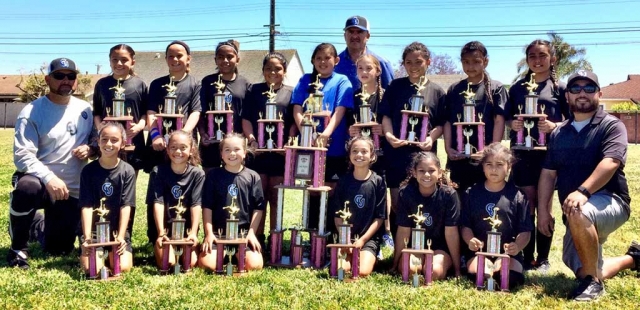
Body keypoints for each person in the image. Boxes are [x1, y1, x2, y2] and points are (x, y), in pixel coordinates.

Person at [537, 70, 639, 301]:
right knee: (583, 267)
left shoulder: (612, 125)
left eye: (589, 88)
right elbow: (548, 174)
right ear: (567, 96)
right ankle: (633, 259)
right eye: (575, 89)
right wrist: (543, 211)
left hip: (611, 201)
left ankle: (594, 285)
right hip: (574, 210)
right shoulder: (559, 132)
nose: (582, 93)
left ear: (599, 94)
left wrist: (583, 191)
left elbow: (611, 162)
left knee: (579, 211)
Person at [8, 57, 96, 268]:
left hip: (71, 192)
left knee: (59, 248)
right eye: (59, 76)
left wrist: (91, 149)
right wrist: (49, 178)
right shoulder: (31, 111)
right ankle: (18, 249)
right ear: (48, 79)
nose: (65, 80)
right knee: (27, 187)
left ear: (76, 80)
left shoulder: (86, 110)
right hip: (43, 184)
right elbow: (22, 155)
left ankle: (36, 224)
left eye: (71, 76)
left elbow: (96, 141)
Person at [505, 39, 570, 272]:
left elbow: (572, 121)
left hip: (548, 156)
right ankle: (525, 255)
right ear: (527, 59)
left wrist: (555, 127)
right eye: (532, 55)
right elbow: (507, 118)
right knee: (525, 206)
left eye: (542, 55)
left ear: (552, 58)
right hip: (522, 155)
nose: (537, 60)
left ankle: (542, 258)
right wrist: (511, 123)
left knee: (544, 206)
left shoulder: (560, 88)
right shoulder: (516, 88)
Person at [379, 42, 446, 237]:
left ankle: (425, 240)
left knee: (424, 197)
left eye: (419, 61)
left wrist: (431, 138)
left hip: (423, 155)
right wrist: (390, 136)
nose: (413, 66)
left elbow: (441, 123)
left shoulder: (437, 91)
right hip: (397, 152)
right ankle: (398, 241)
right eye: (408, 62)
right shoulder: (395, 86)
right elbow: (386, 116)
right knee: (397, 199)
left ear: (428, 62)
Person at [291, 43, 353, 230]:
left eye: (327, 58)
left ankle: (330, 236)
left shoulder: (342, 81)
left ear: (336, 60)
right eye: (318, 58)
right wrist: (306, 133)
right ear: (312, 61)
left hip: (334, 150)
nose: (323, 61)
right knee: (313, 191)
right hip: (309, 148)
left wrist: (325, 135)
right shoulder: (305, 80)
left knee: (332, 191)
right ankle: (311, 235)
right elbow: (297, 109)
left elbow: (339, 111)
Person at [145, 40, 201, 243]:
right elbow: (151, 113)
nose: (175, 59)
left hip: (182, 147)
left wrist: (182, 136)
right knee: (158, 192)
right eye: (171, 55)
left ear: (188, 58)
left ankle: (187, 236)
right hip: (159, 145)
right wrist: (156, 136)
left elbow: (196, 111)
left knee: (186, 190)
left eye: (180, 55)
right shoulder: (157, 84)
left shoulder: (195, 84)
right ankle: (156, 236)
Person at [461, 142, 532, 291]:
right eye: (489, 164)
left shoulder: (518, 196)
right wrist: (470, 241)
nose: (494, 169)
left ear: (509, 167)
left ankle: (505, 268)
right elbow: (465, 226)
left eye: (499, 165)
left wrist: (517, 246)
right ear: (482, 166)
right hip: (479, 252)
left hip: (507, 254)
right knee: (481, 276)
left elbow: (525, 231)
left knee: (508, 278)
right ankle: (477, 265)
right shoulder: (471, 193)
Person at [242, 52, 293, 246]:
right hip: (258, 153)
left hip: (280, 155)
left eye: (278, 68)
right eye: (268, 68)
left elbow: (294, 123)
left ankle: (275, 239)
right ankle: (257, 237)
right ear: (263, 70)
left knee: (276, 196)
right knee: (259, 196)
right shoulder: (254, 90)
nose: (273, 72)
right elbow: (246, 119)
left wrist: (288, 142)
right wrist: (252, 140)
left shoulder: (291, 92)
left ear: (284, 71)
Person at [444, 41, 507, 198]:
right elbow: (447, 120)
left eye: (476, 61)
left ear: (486, 61)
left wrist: (491, 150)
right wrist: (447, 148)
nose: (471, 66)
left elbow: (499, 120)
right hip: (459, 160)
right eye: (466, 62)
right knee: (459, 202)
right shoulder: (454, 89)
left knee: (483, 202)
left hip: (484, 160)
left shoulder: (496, 88)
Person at [346, 54, 393, 249]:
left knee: (381, 191)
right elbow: (349, 123)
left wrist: (383, 130)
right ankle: (360, 231)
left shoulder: (386, 95)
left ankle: (385, 233)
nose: (364, 73)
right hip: (359, 154)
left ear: (378, 71)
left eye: (369, 69)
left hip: (380, 153)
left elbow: (391, 122)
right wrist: (352, 129)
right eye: (360, 69)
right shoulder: (354, 95)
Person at [199, 133, 265, 272]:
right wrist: (209, 234)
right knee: (208, 265)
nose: (232, 153)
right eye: (227, 150)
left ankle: (238, 254)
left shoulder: (253, 176)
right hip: (219, 235)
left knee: (255, 266)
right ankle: (223, 253)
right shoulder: (213, 176)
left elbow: (258, 208)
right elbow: (207, 207)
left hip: (243, 235)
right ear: (221, 154)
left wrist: (251, 233)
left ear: (245, 153)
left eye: (237, 149)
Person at [392, 152, 461, 279]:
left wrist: (457, 270)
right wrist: (395, 264)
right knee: (410, 270)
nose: (427, 175)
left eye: (431, 170)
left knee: (433, 272)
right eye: (421, 171)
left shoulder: (449, 195)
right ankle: (412, 262)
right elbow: (403, 230)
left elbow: (451, 233)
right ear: (414, 172)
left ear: (440, 172)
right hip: (415, 246)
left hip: (440, 248)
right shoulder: (406, 193)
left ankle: (444, 264)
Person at [79, 122, 135, 274]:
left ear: (123, 143)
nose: (108, 144)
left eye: (114, 140)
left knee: (123, 268)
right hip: (94, 234)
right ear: (98, 141)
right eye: (104, 139)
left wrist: (121, 237)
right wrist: (87, 238)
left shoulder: (127, 171)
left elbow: (126, 205)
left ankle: (115, 248)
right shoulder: (88, 171)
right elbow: (87, 206)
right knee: (91, 269)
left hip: (116, 233)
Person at [330, 136, 386, 276]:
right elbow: (337, 216)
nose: (359, 155)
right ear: (349, 155)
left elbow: (379, 218)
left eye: (364, 151)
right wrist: (346, 240)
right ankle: (350, 255)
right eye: (354, 151)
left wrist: (362, 240)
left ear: (372, 156)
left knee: (362, 272)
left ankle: (372, 256)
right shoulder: (343, 182)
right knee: (340, 270)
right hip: (345, 239)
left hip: (368, 239)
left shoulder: (378, 182)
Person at [149, 130, 203, 270]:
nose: (178, 151)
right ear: (167, 149)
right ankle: (158, 243)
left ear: (191, 150)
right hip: (165, 233)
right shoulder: (157, 171)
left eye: (183, 147)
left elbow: (196, 204)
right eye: (173, 147)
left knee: (189, 264)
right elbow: (158, 203)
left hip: (186, 234)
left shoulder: (197, 174)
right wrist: (161, 232)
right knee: (169, 263)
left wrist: (193, 232)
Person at [92, 44, 148, 172]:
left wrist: (139, 127)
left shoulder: (139, 84)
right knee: (108, 181)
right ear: (110, 61)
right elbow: (96, 112)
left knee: (129, 183)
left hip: (133, 141)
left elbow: (145, 112)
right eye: (115, 59)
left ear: (132, 62)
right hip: (108, 143)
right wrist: (100, 128)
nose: (119, 63)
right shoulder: (102, 84)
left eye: (124, 60)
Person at [199, 40, 251, 172]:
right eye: (221, 57)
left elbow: (247, 115)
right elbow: (201, 111)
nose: (225, 60)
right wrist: (203, 133)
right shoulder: (207, 82)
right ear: (215, 60)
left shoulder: (245, 83)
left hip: (235, 144)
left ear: (237, 59)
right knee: (210, 180)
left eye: (229, 57)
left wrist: (247, 138)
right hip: (210, 143)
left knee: (233, 181)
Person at [334, 15, 393, 90]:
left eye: (359, 32)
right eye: (351, 32)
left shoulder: (382, 63)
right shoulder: (335, 63)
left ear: (368, 36)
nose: (355, 36)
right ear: (345, 36)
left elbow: (392, 95)